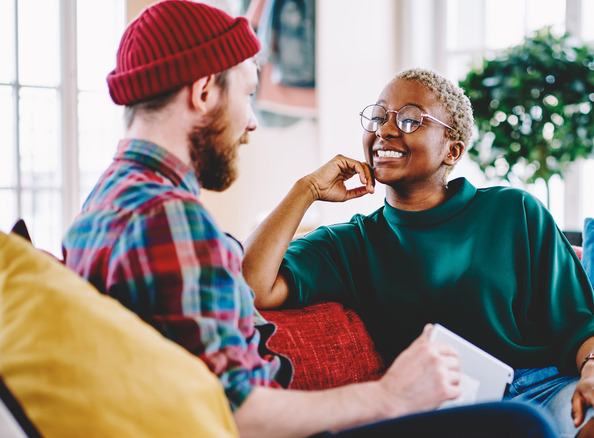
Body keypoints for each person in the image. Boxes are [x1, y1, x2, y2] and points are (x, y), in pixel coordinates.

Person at [62, 1, 557, 437]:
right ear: (205, 91)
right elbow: (237, 414)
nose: (252, 120)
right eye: (249, 94)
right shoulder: (173, 221)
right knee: (525, 425)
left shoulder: (102, 205)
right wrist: (391, 396)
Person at [243, 67, 594, 437]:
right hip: (456, 410)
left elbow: (587, 325)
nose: (386, 130)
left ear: (453, 149)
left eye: (410, 120)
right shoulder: (351, 244)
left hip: (551, 387)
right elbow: (252, 286)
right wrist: (307, 190)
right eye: (378, 116)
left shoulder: (514, 212)